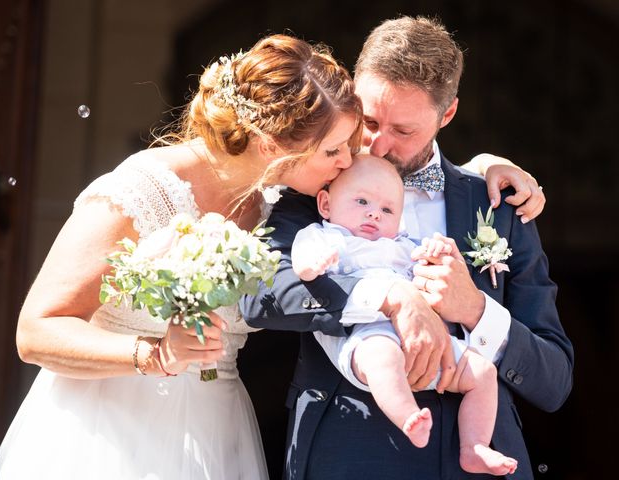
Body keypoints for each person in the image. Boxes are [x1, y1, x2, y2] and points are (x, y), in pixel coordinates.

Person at [0, 34, 366, 480]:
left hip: (218, 431)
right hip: (110, 430)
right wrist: (155, 353)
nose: (348, 160)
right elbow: (36, 330)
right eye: (333, 150)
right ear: (271, 146)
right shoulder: (144, 188)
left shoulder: (279, 208)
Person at [240, 15, 573, 480]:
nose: (377, 145)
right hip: (349, 452)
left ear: (447, 114)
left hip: (481, 462)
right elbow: (261, 295)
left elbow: (554, 380)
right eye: (370, 121)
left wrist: (476, 310)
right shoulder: (317, 185)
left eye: (404, 130)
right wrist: (393, 299)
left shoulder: (497, 204)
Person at [291, 154, 517, 476]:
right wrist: (311, 265)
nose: (373, 213)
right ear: (326, 204)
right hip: (367, 337)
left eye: (387, 210)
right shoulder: (326, 237)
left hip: (427, 343)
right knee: (384, 359)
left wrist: (434, 254)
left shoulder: (399, 244)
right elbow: (299, 262)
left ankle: (474, 446)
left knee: (481, 373)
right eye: (361, 201)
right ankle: (408, 415)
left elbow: (427, 269)